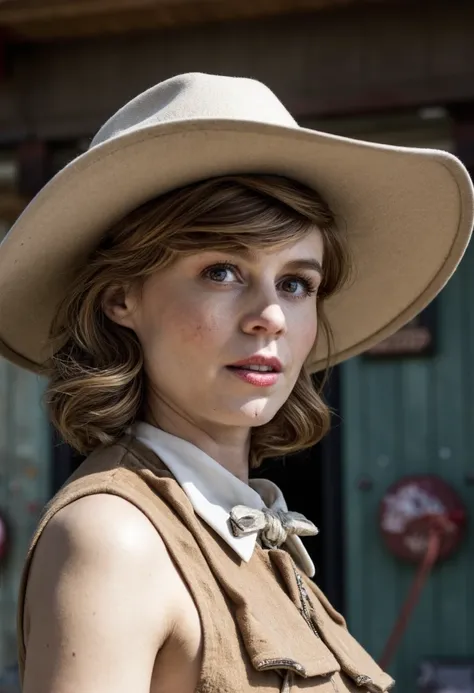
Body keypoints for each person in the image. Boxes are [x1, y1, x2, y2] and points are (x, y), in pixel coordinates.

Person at [0, 73, 472, 693]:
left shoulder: (253, 538)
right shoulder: (115, 539)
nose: (270, 315)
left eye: (296, 282)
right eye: (222, 270)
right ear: (121, 296)